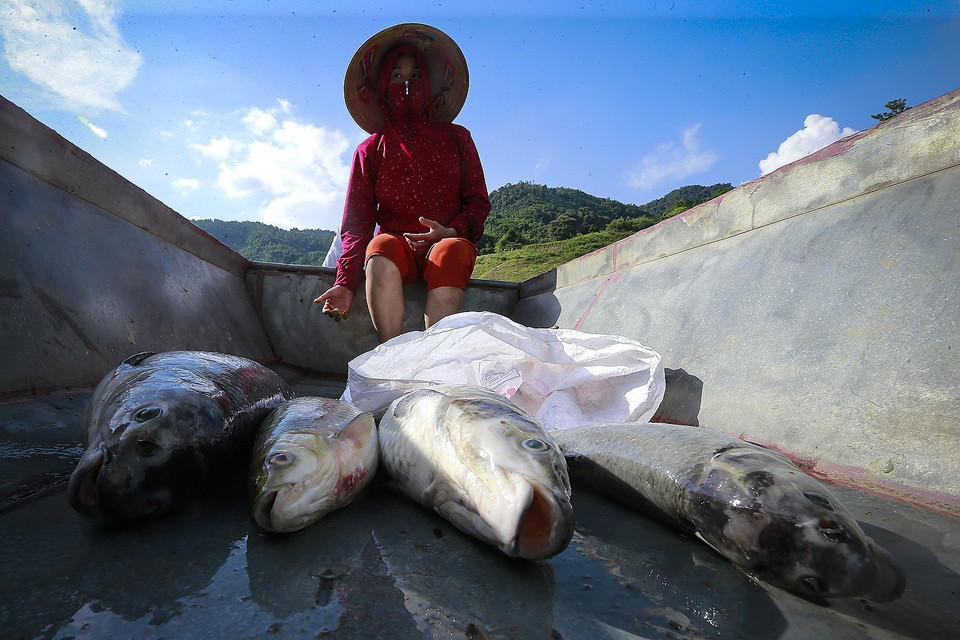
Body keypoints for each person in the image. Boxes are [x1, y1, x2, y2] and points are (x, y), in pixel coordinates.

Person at [314, 23, 491, 343]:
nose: (407, 84)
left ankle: (436, 353)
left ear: (429, 83)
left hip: (449, 243)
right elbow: (357, 224)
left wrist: (450, 231)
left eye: (416, 75)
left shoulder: (458, 138)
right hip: (398, 251)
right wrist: (345, 282)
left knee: (449, 251)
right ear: (382, 85)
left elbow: (478, 202)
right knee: (379, 246)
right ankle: (391, 351)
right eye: (397, 76)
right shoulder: (370, 150)